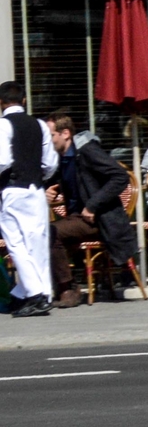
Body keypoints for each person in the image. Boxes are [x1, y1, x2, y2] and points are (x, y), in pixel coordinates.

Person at [48, 111, 137, 306]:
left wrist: (93, 205)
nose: (48, 141)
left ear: (65, 133)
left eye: (51, 135)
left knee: (50, 232)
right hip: (78, 218)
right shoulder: (61, 158)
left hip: (100, 220)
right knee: (41, 232)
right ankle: (53, 288)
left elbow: (120, 177)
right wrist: (48, 190)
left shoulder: (86, 151)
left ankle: (68, 289)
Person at [1, 80, 56, 317]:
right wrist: (37, 174)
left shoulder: (3, 125)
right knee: (37, 245)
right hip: (36, 190)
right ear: (24, 100)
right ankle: (37, 294)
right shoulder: (40, 125)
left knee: (17, 245)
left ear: (1, 103)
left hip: (12, 190)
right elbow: (51, 163)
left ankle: (34, 295)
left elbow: (2, 160)